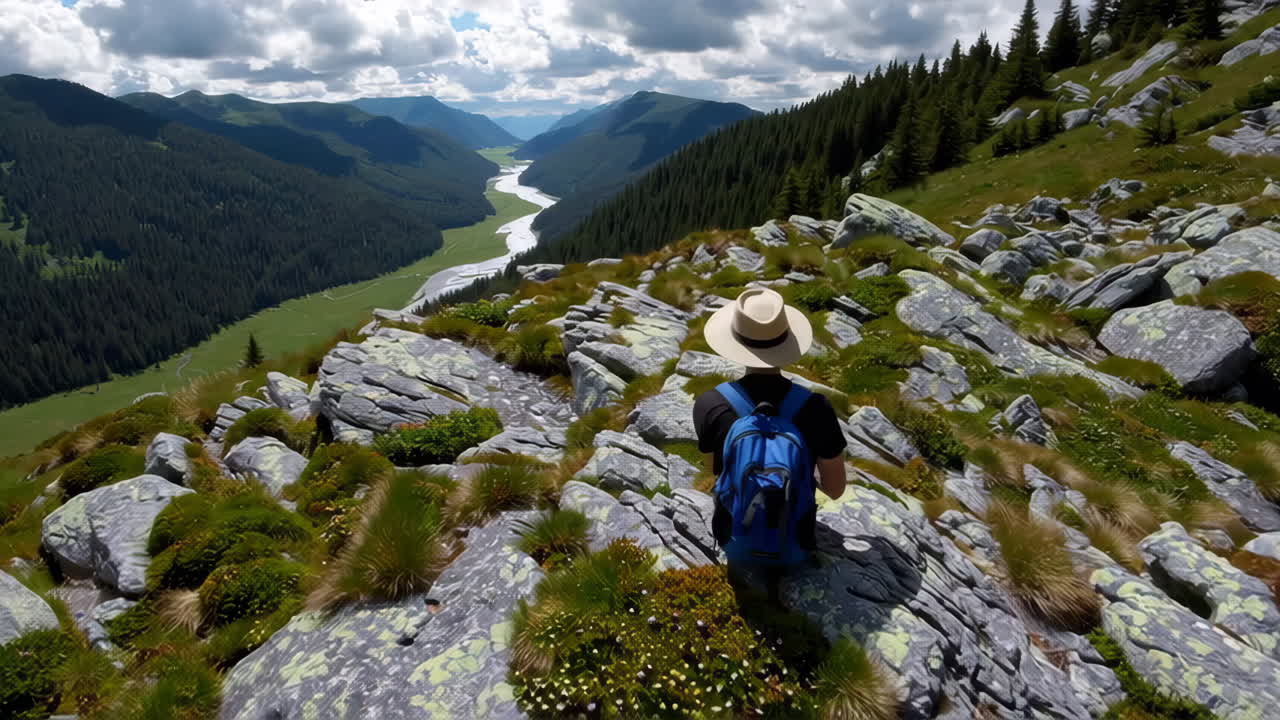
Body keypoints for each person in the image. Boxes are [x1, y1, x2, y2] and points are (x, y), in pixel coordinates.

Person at [693, 287, 847, 596]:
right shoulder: (817, 408)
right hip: (797, 545)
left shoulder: (710, 403)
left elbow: (713, 471)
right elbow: (835, 488)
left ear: (735, 342)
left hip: (732, 539)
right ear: (786, 343)